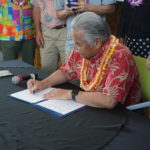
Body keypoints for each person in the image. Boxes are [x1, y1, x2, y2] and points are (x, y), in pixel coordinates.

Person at [27, 12, 141, 109]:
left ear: (97, 42)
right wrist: (42, 84)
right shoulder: (82, 49)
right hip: (92, 105)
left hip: (122, 114)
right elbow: (66, 71)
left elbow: (109, 101)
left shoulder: (120, 56)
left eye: (78, 44)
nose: (75, 48)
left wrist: (68, 94)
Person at [31, 0, 67, 73]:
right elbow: (36, 8)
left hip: (66, 30)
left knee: (69, 67)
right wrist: (38, 31)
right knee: (47, 67)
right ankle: (49, 84)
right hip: (46, 31)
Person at [0, 0, 36, 65]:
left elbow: (37, 12)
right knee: (10, 67)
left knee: (29, 66)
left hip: (28, 37)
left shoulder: (31, 1)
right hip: (7, 38)